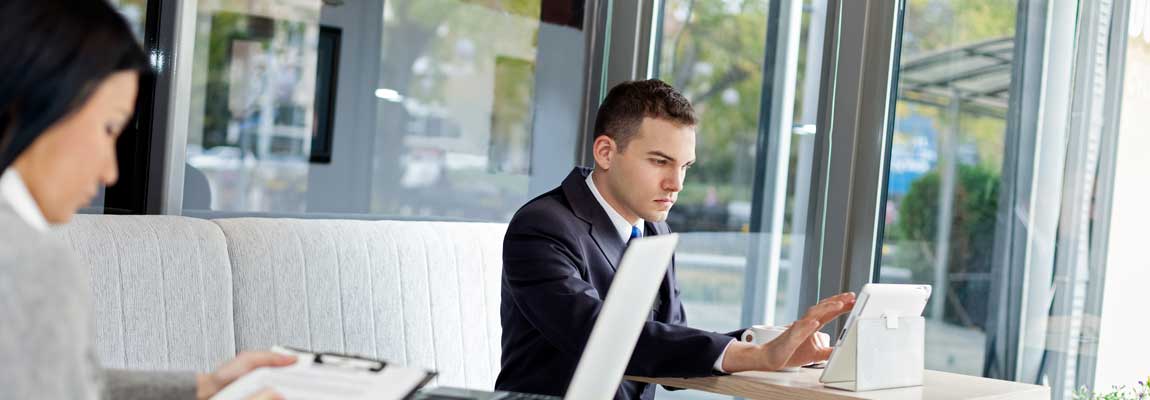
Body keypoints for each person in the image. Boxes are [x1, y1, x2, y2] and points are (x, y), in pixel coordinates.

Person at [0, 1, 295, 399]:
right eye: (108, 128)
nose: (110, 173)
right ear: (36, 102)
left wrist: (203, 387)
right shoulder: (31, 263)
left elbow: (66, 379)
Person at [496, 79, 856, 399]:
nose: (676, 184)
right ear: (606, 152)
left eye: (685, 166)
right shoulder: (541, 227)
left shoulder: (654, 229)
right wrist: (756, 356)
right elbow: (599, 337)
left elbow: (668, 339)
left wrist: (762, 341)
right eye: (659, 161)